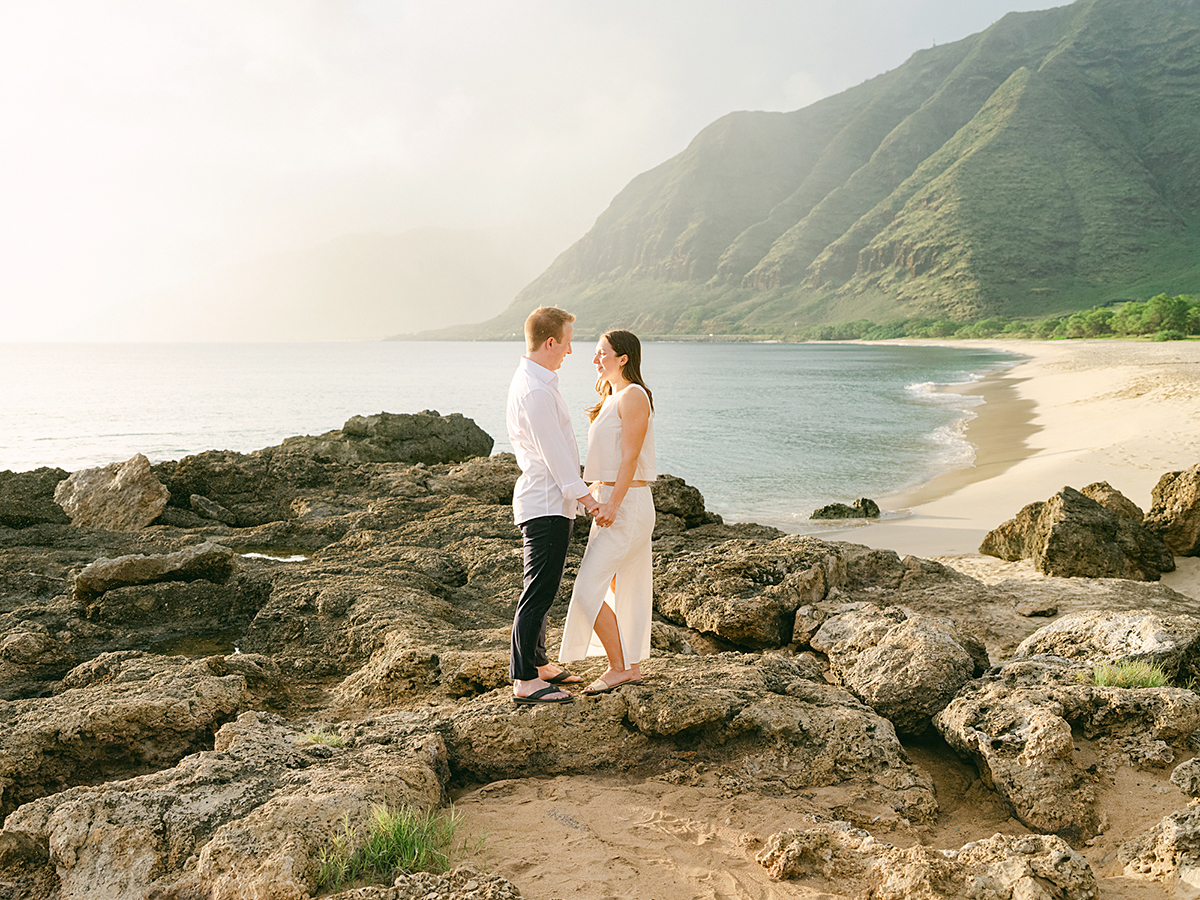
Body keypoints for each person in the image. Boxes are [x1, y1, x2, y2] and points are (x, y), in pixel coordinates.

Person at [506, 306, 602, 704]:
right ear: (550, 342)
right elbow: (555, 455)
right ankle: (525, 680)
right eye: (567, 342)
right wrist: (589, 500)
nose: (570, 350)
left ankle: (539, 663)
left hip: (549, 501)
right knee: (539, 592)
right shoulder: (536, 390)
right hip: (545, 503)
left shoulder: (537, 383)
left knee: (543, 589)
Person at [558, 329, 656, 694]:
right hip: (614, 500)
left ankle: (619, 668)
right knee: (621, 586)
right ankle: (629, 666)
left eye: (602, 353)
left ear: (623, 358)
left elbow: (631, 456)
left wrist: (612, 504)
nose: (595, 359)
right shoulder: (612, 397)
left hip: (627, 504)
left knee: (587, 591)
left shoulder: (634, 396)